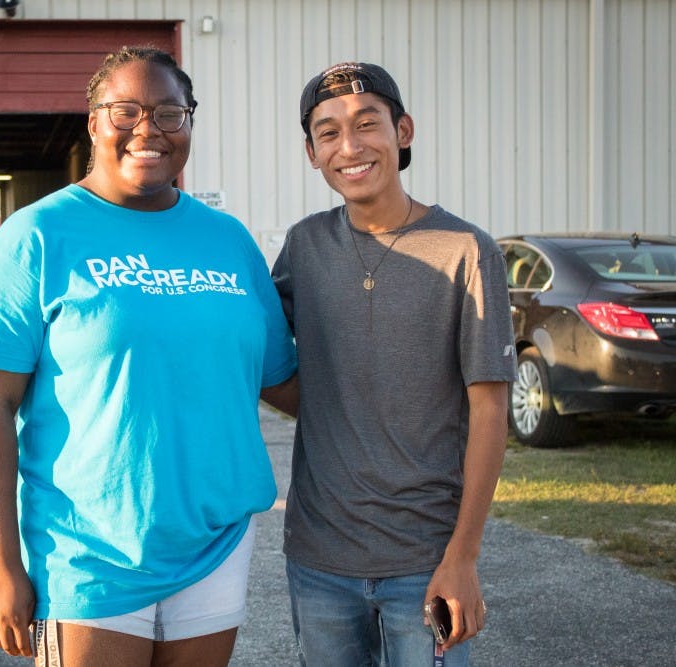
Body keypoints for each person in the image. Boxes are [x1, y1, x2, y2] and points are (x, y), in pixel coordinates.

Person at [0, 45, 297, 667]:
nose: (149, 130)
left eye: (170, 113)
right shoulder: (36, 238)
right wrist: (1, 565)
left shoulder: (228, 241)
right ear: (93, 122)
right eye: (126, 111)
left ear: (190, 123)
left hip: (217, 542)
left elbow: (282, 380)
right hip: (87, 551)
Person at [266, 62, 516, 666]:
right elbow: (256, 354)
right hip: (319, 558)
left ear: (403, 131)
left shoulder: (466, 250)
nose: (349, 147)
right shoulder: (304, 246)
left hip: (425, 559)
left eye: (366, 124)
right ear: (311, 153)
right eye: (327, 133)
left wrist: (463, 557)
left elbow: (489, 411)